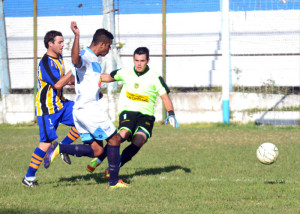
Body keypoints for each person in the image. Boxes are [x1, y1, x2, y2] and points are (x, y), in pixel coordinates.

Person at [43, 21, 129, 189]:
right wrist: (77, 36)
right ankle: (114, 182)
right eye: (109, 46)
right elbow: (75, 60)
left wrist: (99, 90)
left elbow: (86, 79)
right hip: (89, 109)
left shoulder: (94, 60)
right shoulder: (86, 55)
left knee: (97, 151)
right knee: (115, 139)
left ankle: (61, 148)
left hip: (81, 109)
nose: (109, 50)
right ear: (102, 44)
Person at [86, 47, 179, 177]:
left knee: (139, 140)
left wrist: (171, 113)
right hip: (128, 111)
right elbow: (106, 77)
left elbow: (165, 97)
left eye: (142, 60)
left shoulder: (155, 77)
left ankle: (115, 166)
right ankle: (99, 158)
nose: (139, 64)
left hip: (146, 115)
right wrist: (85, 77)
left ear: (148, 60)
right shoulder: (126, 72)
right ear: (133, 60)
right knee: (123, 134)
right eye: (136, 60)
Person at [22, 30, 80, 187]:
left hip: (61, 104)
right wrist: (72, 70)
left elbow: (62, 80)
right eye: (59, 42)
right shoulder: (46, 62)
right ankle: (29, 178)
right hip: (47, 109)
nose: (62, 45)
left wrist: (74, 81)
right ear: (50, 44)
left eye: (62, 42)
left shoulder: (59, 58)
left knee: (83, 118)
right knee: (46, 143)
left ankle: (63, 148)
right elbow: (57, 84)